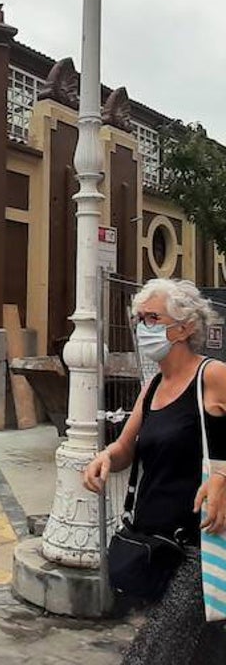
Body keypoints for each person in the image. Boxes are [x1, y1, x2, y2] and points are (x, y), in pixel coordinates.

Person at [82, 278, 226, 664]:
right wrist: (107, 456)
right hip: (157, 547)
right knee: (201, 651)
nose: (143, 327)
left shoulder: (212, 377)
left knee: (152, 655)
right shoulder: (154, 385)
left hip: (203, 546)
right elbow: (127, 447)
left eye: (152, 318)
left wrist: (222, 477)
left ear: (186, 326)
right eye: (138, 319)